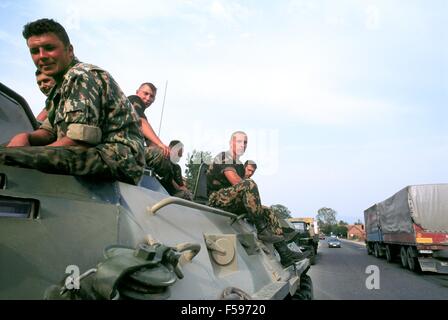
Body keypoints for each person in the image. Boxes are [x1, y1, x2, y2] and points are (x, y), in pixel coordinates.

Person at [0, 18, 145, 185]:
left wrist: (26, 153)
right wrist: (26, 137)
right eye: (35, 51)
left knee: (8, 157)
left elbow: (79, 142)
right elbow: (48, 131)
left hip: (117, 158)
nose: (42, 56)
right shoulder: (59, 88)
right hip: (95, 154)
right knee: (7, 150)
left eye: (49, 48)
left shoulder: (80, 76)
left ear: (69, 50)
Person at [206, 131, 305, 267]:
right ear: (231, 143)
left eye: (245, 142)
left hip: (231, 199)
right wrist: (248, 191)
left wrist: (255, 205)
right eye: (239, 141)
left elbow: (241, 189)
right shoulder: (224, 157)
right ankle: (262, 229)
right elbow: (236, 182)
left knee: (268, 211)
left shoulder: (240, 165)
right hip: (217, 198)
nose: (243, 145)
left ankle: (285, 253)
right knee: (249, 183)